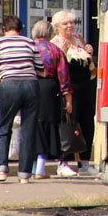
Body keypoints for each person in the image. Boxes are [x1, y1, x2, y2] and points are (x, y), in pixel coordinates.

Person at [0, 15, 43, 184]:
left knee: (5, 127)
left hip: (8, 86)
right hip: (31, 86)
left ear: (3, 29)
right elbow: (40, 67)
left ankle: (2, 170)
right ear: (20, 30)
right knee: (28, 129)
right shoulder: (30, 42)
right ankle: (24, 175)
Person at [51, 9, 97, 176]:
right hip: (68, 89)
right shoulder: (55, 43)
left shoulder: (78, 39)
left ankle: (84, 163)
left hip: (85, 86)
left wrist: (89, 50)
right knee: (69, 123)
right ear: (57, 26)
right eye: (66, 23)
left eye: (72, 22)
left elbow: (89, 58)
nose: (70, 26)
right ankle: (63, 162)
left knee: (87, 122)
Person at [32, 17, 73, 178]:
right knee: (48, 125)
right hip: (50, 88)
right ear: (50, 32)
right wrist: (68, 100)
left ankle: (33, 166)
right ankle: (41, 167)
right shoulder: (56, 50)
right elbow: (64, 77)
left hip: (30, 86)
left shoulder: (29, 48)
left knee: (33, 125)